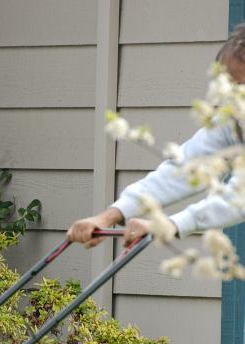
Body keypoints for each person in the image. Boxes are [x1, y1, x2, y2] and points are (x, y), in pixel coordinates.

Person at [68, 24, 245, 248]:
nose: (229, 96)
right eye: (226, 86)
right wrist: (108, 216)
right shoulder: (235, 120)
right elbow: (184, 169)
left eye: (238, 86)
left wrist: (172, 223)